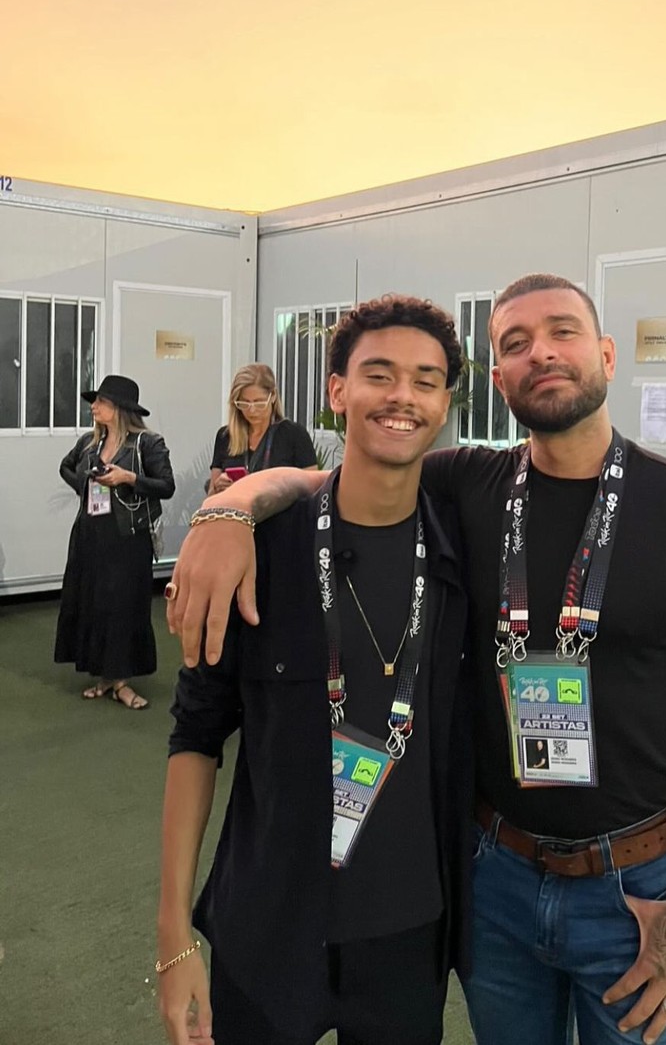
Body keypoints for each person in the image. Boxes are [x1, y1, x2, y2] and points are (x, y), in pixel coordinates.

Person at [166, 274, 666, 1045]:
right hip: (496, 886)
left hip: (638, 892)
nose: (542, 352)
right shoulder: (467, 486)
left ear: (609, 355)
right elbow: (329, 478)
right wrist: (223, 511)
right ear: (496, 379)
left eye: (563, 331)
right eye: (514, 343)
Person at [156, 296, 472, 1045]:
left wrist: (233, 500)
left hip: (406, 933)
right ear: (337, 391)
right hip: (265, 923)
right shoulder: (263, 553)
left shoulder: (467, 547)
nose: (403, 396)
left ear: (445, 402)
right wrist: (172, 938)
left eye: (426, 380)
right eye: (380, 374)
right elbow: (196, 736)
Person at [55, 374, 175, 709]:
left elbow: (166, 486)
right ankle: (106, 676)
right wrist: (85, 484)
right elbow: (65, 467)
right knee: (93, 604)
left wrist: (128, 478)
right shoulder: (89, 443)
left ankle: (121, 680)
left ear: (120, 408)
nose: (94, 407)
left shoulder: (147, 444)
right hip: (90, 536)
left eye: (101, 402)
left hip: (128, 539)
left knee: (123, 607)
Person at [206, 362, 317, 496]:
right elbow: (210, 498)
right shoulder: (226, 436)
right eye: (244, 403)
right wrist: (218, 487)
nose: (252, 410)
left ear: (273, 396)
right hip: (236, 513)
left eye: (259, 402)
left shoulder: (294, 435)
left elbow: (313, 490)